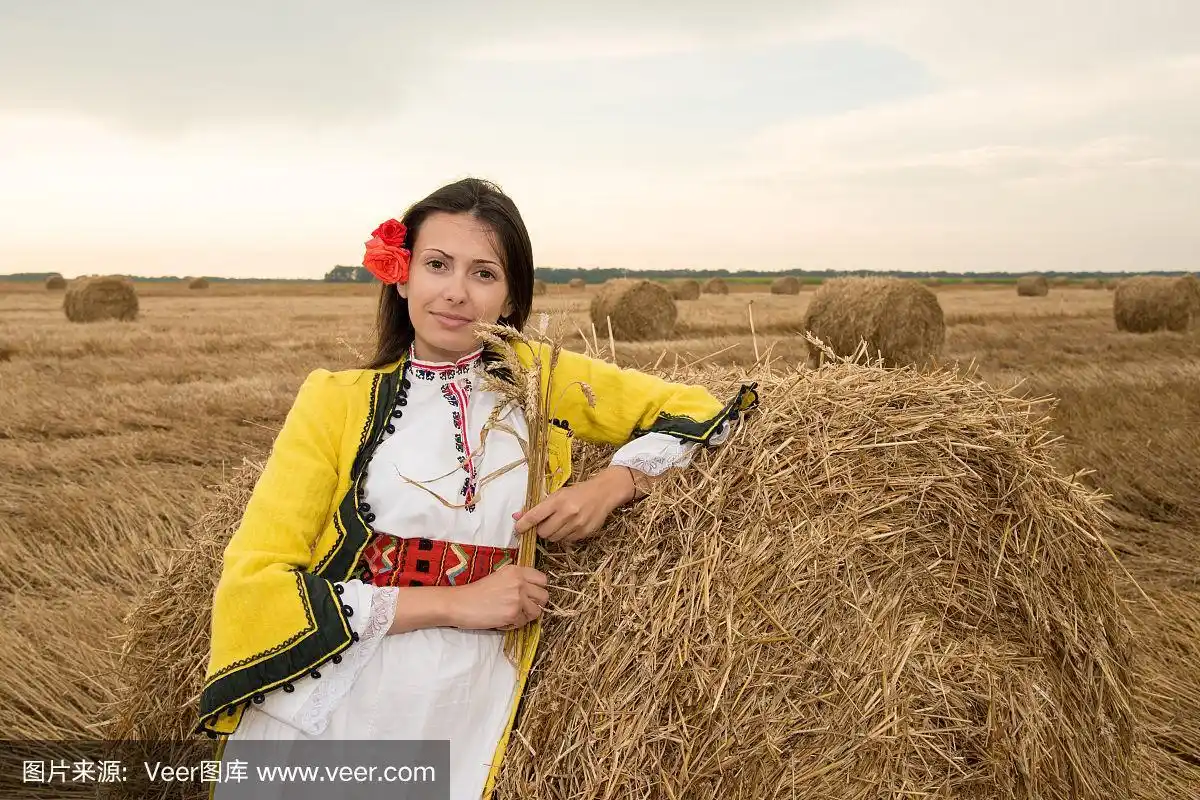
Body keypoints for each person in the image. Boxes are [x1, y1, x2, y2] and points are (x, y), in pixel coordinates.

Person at [196, 178, 758, 800]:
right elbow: (255, 583)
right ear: (403, 276)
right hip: (335, 696)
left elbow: (703, 409)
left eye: (484, 273)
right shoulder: (334, 400)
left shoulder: (542, 380)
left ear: (512, 295)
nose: (456, 292)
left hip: (467, 696)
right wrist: (458, 604)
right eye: (438, 265)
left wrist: (613, 484)